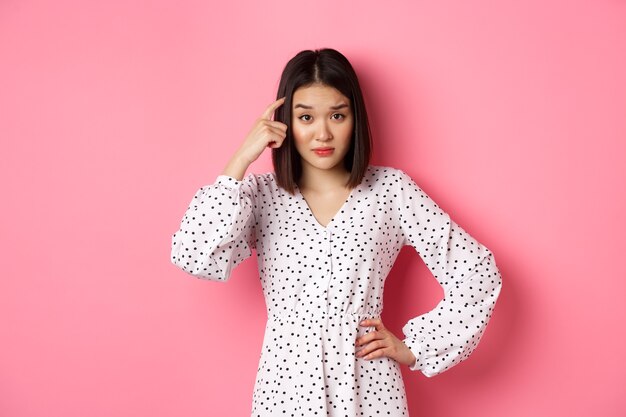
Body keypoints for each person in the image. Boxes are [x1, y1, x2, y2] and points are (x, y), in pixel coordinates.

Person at [171, 48, 503, 416]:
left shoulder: (390, 191)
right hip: (286, 388)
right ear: (285, 123)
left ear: (354, 119)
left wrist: (415, 348)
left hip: (369, 387)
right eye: (306, 117)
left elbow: (477, 272)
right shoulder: (259, 195)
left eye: (337, 115)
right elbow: (193, 255)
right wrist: (240, 159)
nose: (323, 132)